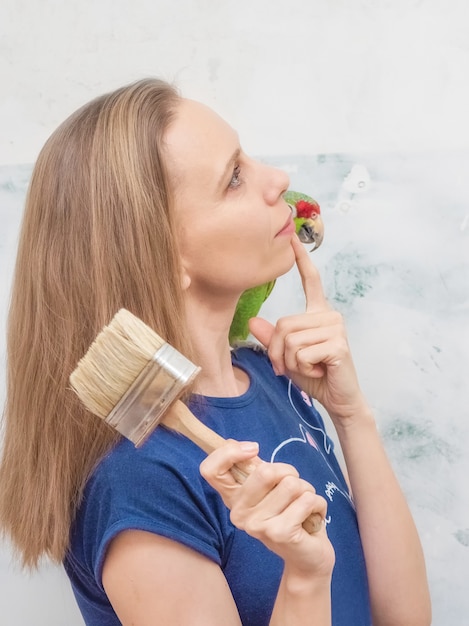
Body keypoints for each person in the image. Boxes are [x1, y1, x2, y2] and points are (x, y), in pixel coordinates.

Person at [0, 78, 431, 626]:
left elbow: (408, 618)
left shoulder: (270, 378)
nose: (279, 180)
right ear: (161, 253)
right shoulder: (140, 480)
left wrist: (352, 417)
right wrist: (304, 576)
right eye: (233, 178)